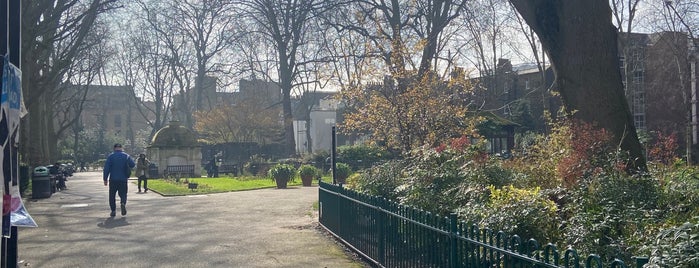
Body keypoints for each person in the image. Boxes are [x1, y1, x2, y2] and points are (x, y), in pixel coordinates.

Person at [103, 143, 135, 217]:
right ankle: (123, 203)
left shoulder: (111, 156)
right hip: (123, 179)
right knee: (123, 193)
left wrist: (105, 179)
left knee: (112, 195)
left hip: (113, 179)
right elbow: (133, 164)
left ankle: (113, 210)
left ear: (114, 148)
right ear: (121, 148)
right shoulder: (126, 156)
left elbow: (106, 168)